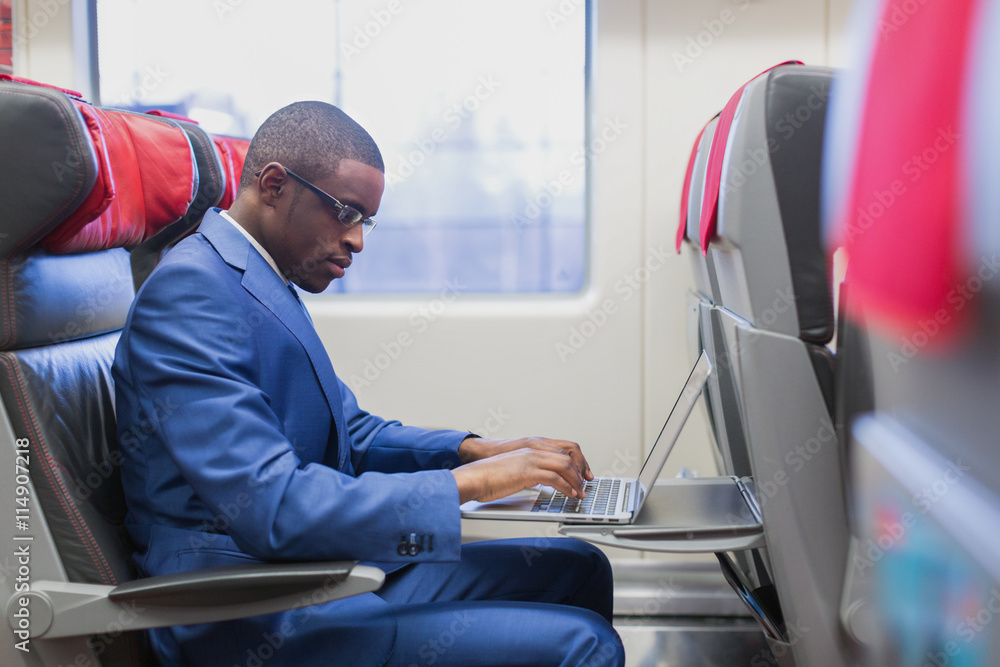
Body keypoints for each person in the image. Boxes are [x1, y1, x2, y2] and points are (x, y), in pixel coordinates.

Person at [113, 100, 626, 666]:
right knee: (584, 645)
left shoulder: (259, 276)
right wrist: (472, 485)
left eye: (366, 220)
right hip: (243, 614)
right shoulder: (191, 293)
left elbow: (347, 431)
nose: (358, 240)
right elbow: (274, 507)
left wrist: (472, 452)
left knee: (577, 568)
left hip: (312, 577)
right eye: (345, 212)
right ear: (275, 185)